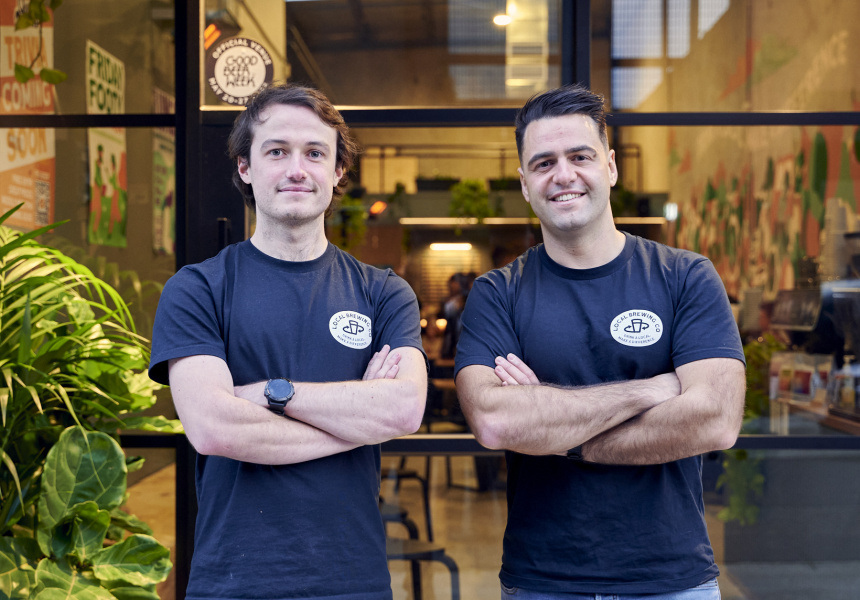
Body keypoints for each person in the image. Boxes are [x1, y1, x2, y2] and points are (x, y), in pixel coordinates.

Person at [454, 84, 746, 599]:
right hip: (543, 581)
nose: (563, 175)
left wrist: (558, 435)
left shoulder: (685, 277)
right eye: (543, 163)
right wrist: (650, 391)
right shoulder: (498, 293)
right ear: (525, 185)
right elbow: (495, 420)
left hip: (672, 580)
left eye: (580, 156)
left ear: (610, 167)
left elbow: (715, 419)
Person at [148, 83, 427, 600]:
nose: (297, 169)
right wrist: (357, 425)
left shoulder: (384, 292)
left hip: (353, 581)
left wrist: (270, 394)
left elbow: (404, 410)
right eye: (277, 151)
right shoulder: (198, 288)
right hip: (233, 582)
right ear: (245, 167)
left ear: (338, 170)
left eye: (315, 153)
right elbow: (212, 428)